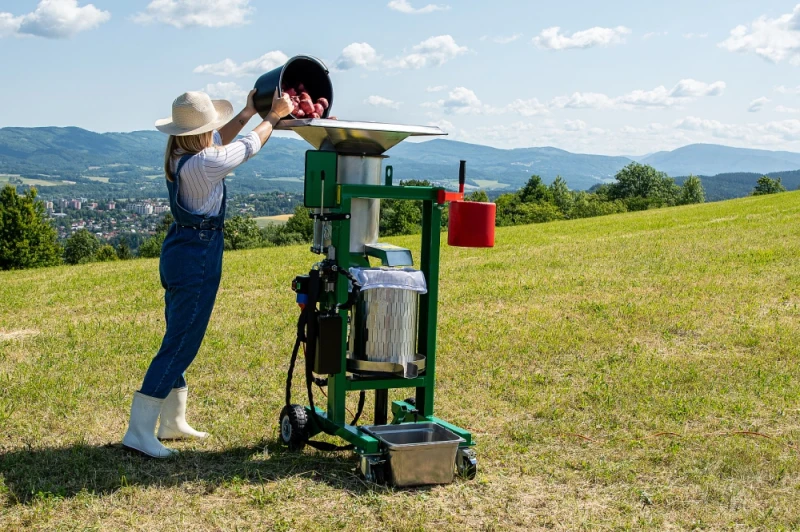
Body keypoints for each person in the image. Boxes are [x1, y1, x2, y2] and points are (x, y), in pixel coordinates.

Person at [122, 88, 293, 458]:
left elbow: (222, 141)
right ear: (202, 133)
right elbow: (247, 146)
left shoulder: (182, 155)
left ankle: (172, 421)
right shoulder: (203, 164)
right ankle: (139, 430)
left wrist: (247, 110)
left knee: (177, 334)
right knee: (182, 342)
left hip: (181, 250)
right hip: (198, 255)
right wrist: (273, 116)